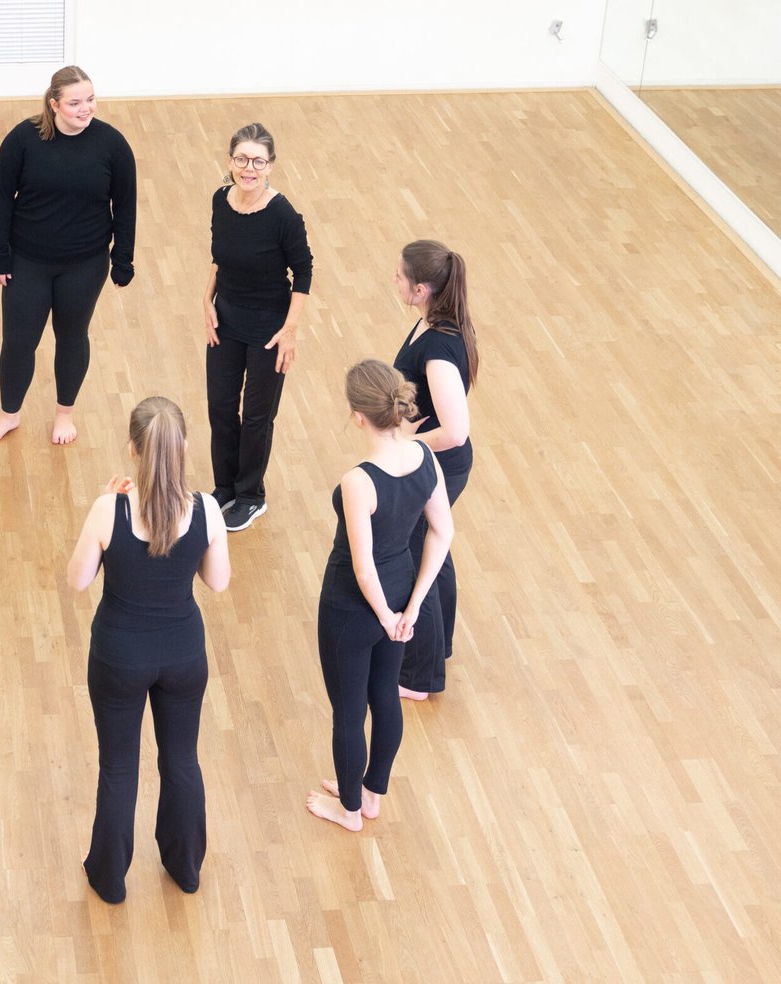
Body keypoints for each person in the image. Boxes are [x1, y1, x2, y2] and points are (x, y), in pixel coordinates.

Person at [66, 397, 230, 903]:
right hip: (183, 654)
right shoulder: (206, 510)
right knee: (181, 761)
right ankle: (186, 868)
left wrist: (104, 507)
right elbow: (218, 581)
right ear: (183, 447)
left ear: (132, 450)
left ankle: (110, 879)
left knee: (118, 768)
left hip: (119, 655)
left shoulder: (109, 510)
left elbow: (77, 580)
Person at [305, 360, 452, 833]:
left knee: (349, 713)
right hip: (400, 592)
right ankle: (370, 795)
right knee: (385, 694)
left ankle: (348, 810)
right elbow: (442, 531)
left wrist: (387, 616)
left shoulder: (359, 481)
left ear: (358, 416)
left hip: (352, 609)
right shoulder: (424, 456)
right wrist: (410, 607)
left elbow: (362, 567)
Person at [0, 65, 137, 446]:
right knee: (19, 341)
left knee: (72, 337)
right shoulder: (22, 140)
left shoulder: (113, 145)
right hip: (26, 262)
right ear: (54, 104)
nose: (86, 108)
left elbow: (125, 206)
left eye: (91, 99)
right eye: (75, 102)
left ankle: (64, 414)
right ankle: (9, 415)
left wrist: (123, 259)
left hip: (85, 264)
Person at [203, 122, 313, 532]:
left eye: (258, 161)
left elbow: (303, 272)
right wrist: (206, 300)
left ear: (270, 166)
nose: (249, 168)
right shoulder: (220, 200)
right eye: (242, 159)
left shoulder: (283, 215)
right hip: (226, 320)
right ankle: (225, 487)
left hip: (269, 328)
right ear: (230, 161)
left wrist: (290, 330)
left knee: (256, 416)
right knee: (220, 407)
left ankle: (251, 496)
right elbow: (219, 258)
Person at [391, 240, 478, 699]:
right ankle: (437, 647)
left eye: (400, 276)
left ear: (421, 289)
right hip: (431, 462)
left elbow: (456, 431)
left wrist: (403, 442)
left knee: (414, 557)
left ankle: (417, 677)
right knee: (432, 548)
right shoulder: (432, 321)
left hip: (437, 466)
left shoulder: (440, 349)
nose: (395, 280)